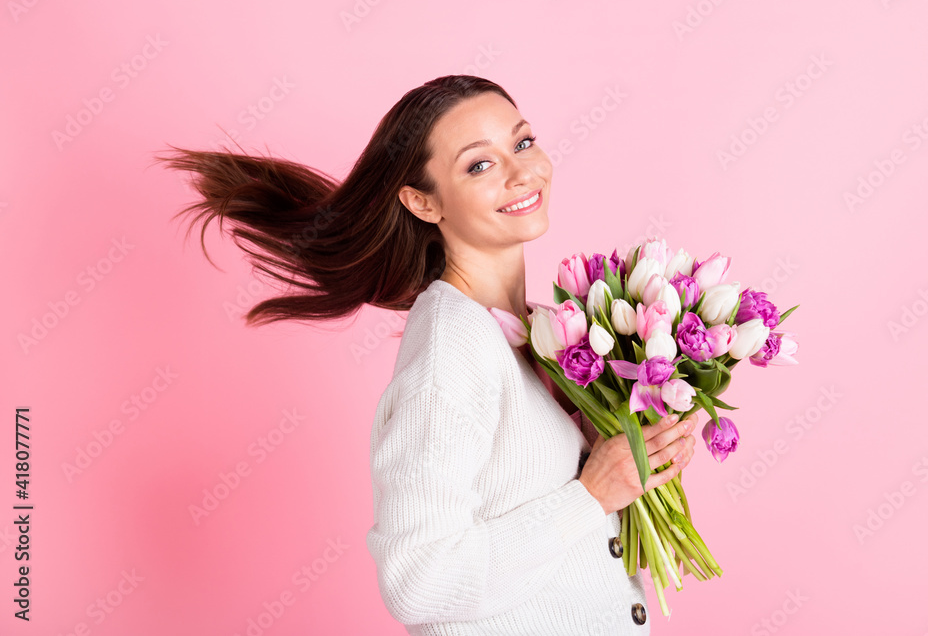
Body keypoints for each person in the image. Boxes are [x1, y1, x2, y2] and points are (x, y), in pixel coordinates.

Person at [154, 74, 698, 634]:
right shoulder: (451, 351)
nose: (521, 173)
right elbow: (421, 581)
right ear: (422, 201)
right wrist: (590, 495)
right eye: (479, 166)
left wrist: (640, 458)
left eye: (523, 143)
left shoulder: (549, 330)